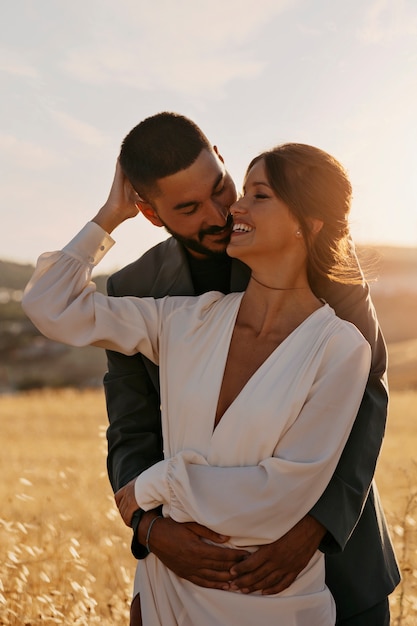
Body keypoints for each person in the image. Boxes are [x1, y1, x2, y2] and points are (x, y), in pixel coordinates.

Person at [23, 141, 396, 625]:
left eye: (235, 189)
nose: (227, 210)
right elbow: (55, 311)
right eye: (189, 208)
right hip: (176, 590)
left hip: (303, 586)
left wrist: (156, 488)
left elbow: (355, 409)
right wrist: (109, 216)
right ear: (152, 213)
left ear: (308, 224)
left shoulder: (339, 338)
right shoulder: (180, 318)